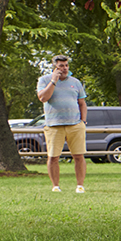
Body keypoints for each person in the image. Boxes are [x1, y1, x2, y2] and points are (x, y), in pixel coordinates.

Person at [35, 55, 88, 193]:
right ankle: (55, 186)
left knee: (79, 156)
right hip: (54, 125)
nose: (64, 68)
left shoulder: (75, 82)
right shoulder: (44, 80)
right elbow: (43, 98)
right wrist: (53, 81)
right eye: (61, 66)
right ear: (54, 67)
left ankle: (80, 186)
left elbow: (82, 103)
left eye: (66, 65)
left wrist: (83, 121)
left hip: (75, 124)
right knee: (53, 157)